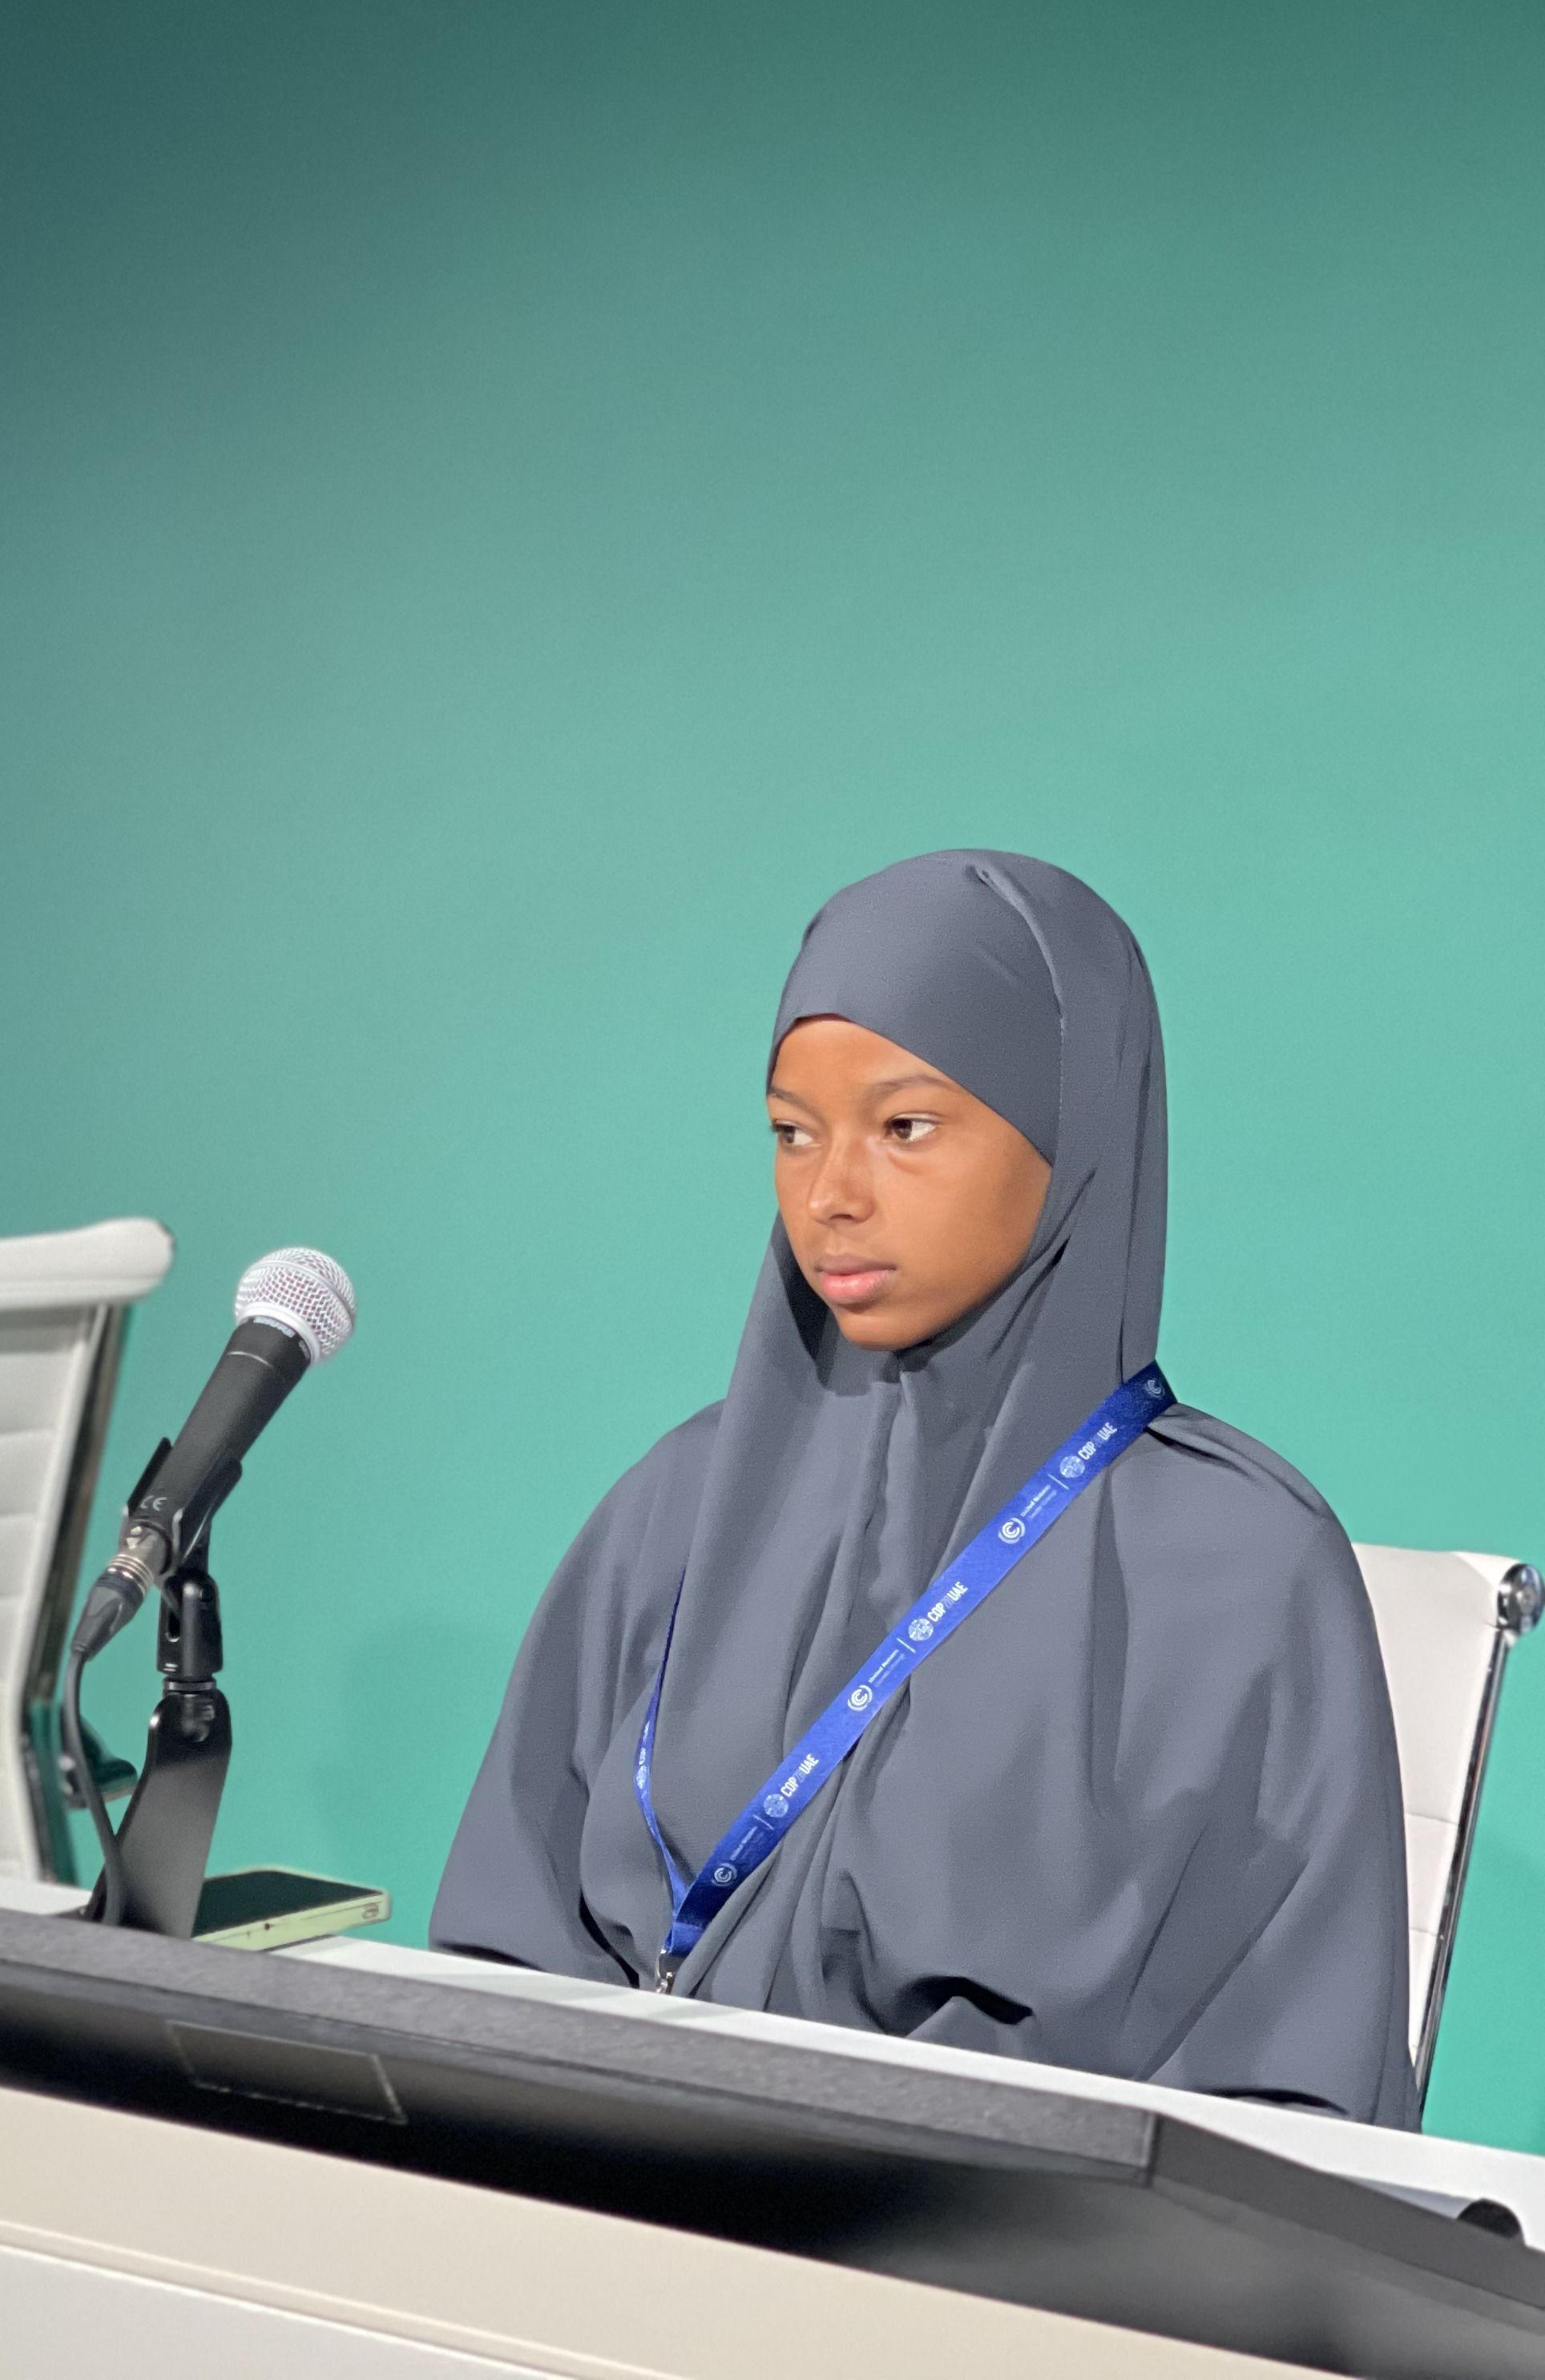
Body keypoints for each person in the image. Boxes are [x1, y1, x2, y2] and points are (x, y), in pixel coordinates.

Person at [430, 849, 1416, 2125]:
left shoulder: (1240, 1569)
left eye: (906, 1127)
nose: (830, 1196)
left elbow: (1285, 2114)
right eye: (792, 1133)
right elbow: (496, 1961)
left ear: (1073, 1136)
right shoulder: (674, 1505)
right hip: (604, 2226)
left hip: (1007, 2288)